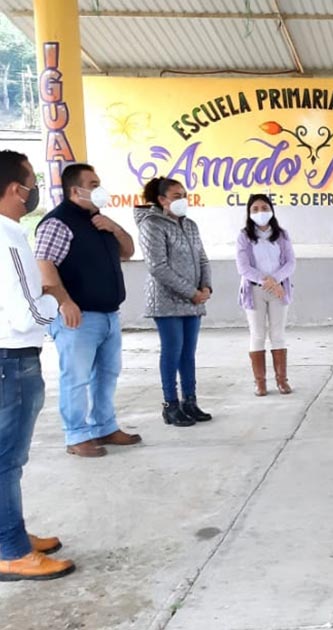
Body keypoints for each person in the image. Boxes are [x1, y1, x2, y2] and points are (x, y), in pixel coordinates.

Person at [0, 150, 75, 580]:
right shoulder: (9, 239)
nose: (34, 192)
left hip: (11, 361)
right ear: (15, 190)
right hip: (12, 363)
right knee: (7, 461)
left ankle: (11, 534)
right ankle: (11, 549)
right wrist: (56, 296)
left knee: (6, 459)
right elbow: (28, 314)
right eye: (31, 183)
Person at [35, 163, 141, 458]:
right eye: (93, 184)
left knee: (107, 374)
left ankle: (104, 427)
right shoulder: (57, 222)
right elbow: (44, 264)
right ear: (74, 190)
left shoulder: (98, 219)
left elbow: (128, 251)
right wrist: (64, 302)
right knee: (76, 377)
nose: (99, 189)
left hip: (108, 314)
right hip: (77, 316)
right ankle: (77, 435)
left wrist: (115, 228)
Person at [136, 177, 213, 428]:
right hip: (167, 300)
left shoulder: (190, 225)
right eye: (176, 195)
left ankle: (190, 401)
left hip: (193, 300)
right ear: (161, 200)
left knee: (188, 353)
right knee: (173, 350)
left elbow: (202, 258)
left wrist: (205, 287)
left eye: (184, 194)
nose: (183, 200)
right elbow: (158, 267)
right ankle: (171, 405)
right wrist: (190, 292)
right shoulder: (152, 225)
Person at [235, 194, 295, 396]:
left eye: (264, 207)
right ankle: (260, 383)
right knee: (258, 335)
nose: (260, 212)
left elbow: (290, 263)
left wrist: (276, 280)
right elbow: (243, 267)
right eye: (255, 209)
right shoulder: (244, 236)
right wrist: (266, 281)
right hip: (255, 290)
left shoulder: (282, 235)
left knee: (277, 334)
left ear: (271, 210)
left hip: (278, 290)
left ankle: (282, 381)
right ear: (249, 213)